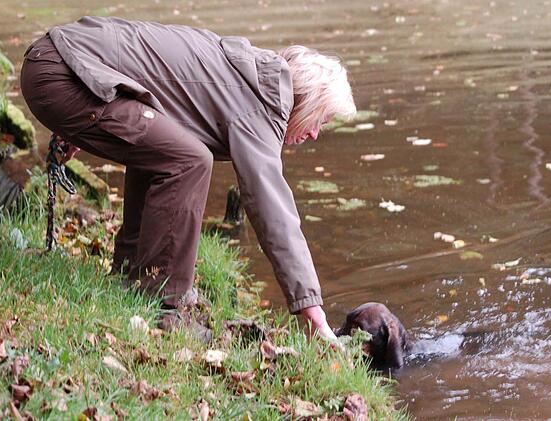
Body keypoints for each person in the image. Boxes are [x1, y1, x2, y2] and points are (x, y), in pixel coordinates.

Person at [20, 16, 356, 341]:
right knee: (191, 160)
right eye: (320, 121)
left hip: (58, 64)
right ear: (308, 101)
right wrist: (312, 311)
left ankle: (129, 277)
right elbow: (272, 210)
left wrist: (82, 125)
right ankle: (164, 303)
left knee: (172, 150)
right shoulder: (261, 105)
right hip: (63, 75)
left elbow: (146, 79)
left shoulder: (247, 76)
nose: (314, 134)